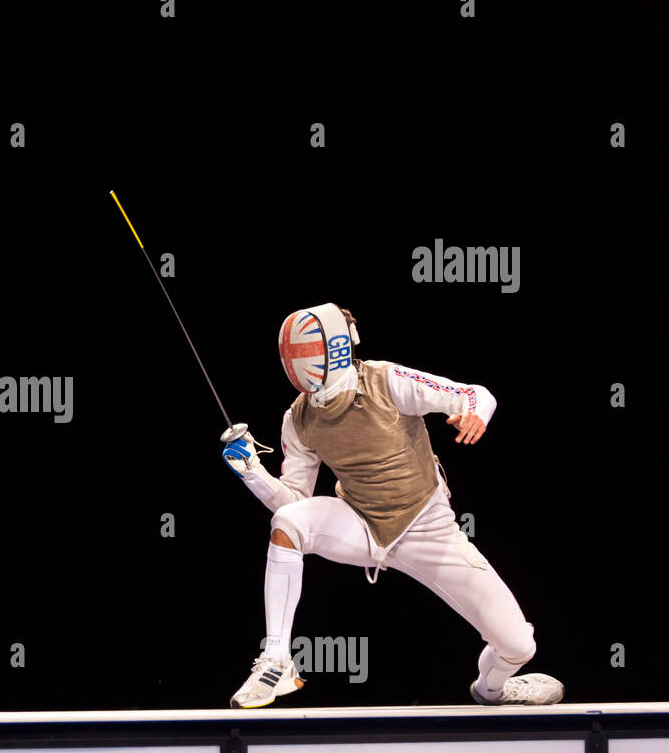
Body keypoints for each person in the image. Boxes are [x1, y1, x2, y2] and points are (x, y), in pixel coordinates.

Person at [222, 302, 563, 708]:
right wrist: (252, 472)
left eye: (307, 350)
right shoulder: (298, 418)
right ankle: (277, 658)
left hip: (427, 528)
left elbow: (475, 394)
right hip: (360, 527)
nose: (298, 363)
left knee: (518, 645)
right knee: (288, 522)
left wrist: (475, 414)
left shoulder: (387, 381)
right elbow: (295, 501)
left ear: (333, 347)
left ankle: (493, 689)